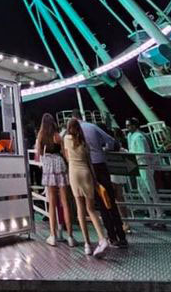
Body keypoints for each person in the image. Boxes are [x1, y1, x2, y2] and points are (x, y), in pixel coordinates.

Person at [71, 110, 127, 248]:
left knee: (101, 203)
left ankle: (111, 236)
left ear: (72, 118)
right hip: (101, 165)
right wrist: (104, 150)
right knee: (110, 200)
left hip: (87, 168)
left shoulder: (71, 133)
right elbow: (112, 142)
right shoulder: (92, 127)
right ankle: (121, 236)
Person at [63, 118, 108, 258]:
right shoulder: (84, 142)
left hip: (74, 174)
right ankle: (102, 238)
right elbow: (90, 163)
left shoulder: (66, 140)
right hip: (87, 174)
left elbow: (67, 158)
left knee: (80, 210)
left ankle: (87, 244)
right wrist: (94, 180)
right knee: (91, 209)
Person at [35, 113, 76, 247]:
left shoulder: (40, 136)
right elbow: (64, 154)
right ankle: (70, 236)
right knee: (65, 203)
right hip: (59, 165)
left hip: (48, 168)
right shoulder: (58, 136)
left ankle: (52, 236)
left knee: (52, 203)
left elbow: (39, 153)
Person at [126, 117, 164, 229]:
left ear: (134, 125)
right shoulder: (130, 136)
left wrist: (131, 155)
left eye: (129, 125)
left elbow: (143, 152)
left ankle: (160, 215)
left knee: (150, 188)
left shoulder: (140, 137)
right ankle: (151, 213)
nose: (127, 127)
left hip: (144, 164)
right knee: (141, 189)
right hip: (135, 164)